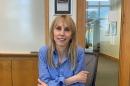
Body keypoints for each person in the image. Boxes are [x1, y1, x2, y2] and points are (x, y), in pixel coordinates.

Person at [38, 15, 89, 86]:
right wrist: (71, 80)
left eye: (67, 30)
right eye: (58, 29)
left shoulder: (79, 53)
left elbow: (79, 84)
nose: (62, 33)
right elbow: (44, 81)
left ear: (72, 35)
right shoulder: (43, 52)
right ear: (52, 33)